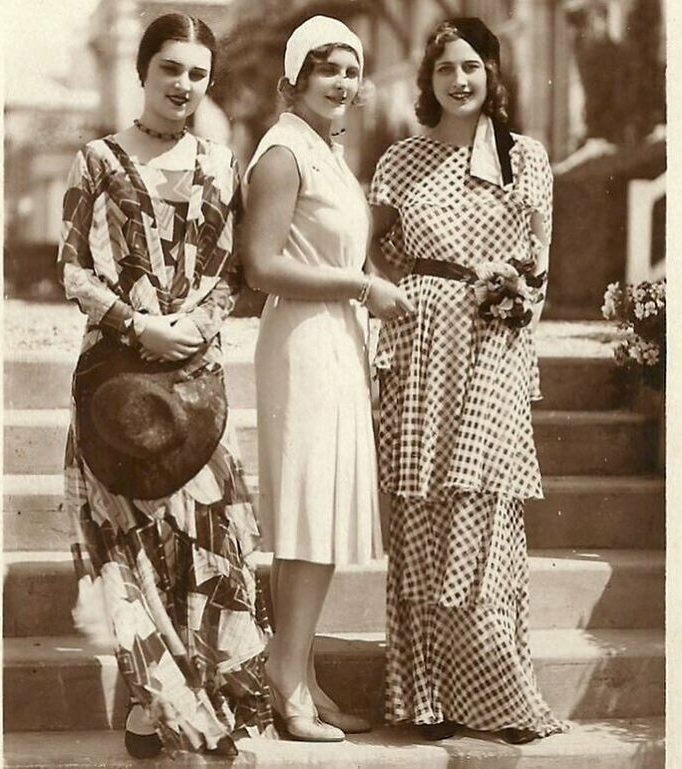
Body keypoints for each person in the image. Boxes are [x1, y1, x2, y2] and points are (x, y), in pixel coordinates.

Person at [58, 12, 274, 759]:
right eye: (170, 69)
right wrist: (136, 326)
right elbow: (73, 269)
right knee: (131, 541)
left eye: (197, 73)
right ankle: (153, 702)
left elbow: (235, 272)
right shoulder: (98, 159)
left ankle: (204, 696)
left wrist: (194, 326)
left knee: (210, 539)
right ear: (143, 71)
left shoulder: (221, 163)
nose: (183, 84)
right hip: (118, 377)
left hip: (193, 374)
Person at [368, 18, 567, 744]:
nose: (458, 80)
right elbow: (370, 251)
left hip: (493, 346)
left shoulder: (525, 159)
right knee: (420, 517)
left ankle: (501, 693)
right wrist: (400, 297)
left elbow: (540, 264)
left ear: (492, 74)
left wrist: (513, 299)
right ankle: (428, 700)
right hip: (420, 344)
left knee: (482, 518)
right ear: (428, 80)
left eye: (471, 67)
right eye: (445, 68)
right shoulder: (401, 160)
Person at [241, 15, 414, 742]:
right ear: (296, 79)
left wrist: (368, 282)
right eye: (327, 69)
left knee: (315, 518)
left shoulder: (326, 150)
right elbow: (260, 265)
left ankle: (299, 674)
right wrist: (360, 286)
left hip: (333, 337)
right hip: (303, 340)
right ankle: (286, 683)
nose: (342, 82)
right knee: (309, 515)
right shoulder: (284, 152)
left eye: (351, 69)